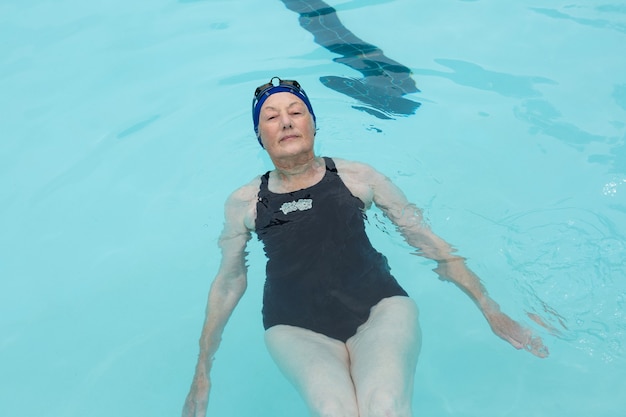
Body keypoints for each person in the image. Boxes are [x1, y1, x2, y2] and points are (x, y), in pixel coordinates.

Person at [181, 77, 549, 417]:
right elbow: (229, 280)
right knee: (332, 409)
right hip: (294, 327)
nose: (287, 122)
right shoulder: (244, 202)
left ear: (313, 123)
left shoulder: (359, 178)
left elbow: (426, 240)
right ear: (260, 136)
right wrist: (202, 368)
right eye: (272, 117)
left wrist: (490, 308)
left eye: (296, 112)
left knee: (384, 406)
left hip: (379, 308)